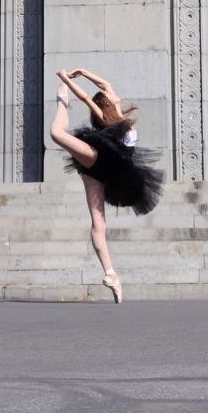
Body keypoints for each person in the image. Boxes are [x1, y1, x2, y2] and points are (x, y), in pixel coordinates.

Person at [50, 67, 164, 304]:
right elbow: (85, 97)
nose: (115, 94)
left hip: (109, 170)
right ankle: (111, 273)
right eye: (112, 96)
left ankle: (111, 275)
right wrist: (65, 81)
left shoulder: (117, 116)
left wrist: (84, 72)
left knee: (100, 223)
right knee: (56, 133)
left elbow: (105, 84)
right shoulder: (106, 117)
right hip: (99, 160)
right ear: (108, 105)